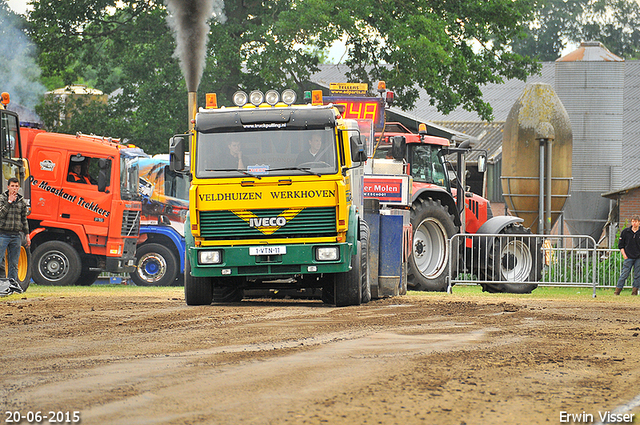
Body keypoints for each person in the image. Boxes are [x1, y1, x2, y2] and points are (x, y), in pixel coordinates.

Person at [0, 177, 30, 282]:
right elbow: (1, 214)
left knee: (14, 263)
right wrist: (9, 202)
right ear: (8, 187)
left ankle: (12, 284)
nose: (14, 188)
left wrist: (27, 235)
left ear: (19, 188)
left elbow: (24, 219)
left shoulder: (21, 201)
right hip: (3, 234)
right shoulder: (2, 198)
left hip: (16, 235)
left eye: (16, 186)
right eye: (12, 186)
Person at [615, 214, 640, 295]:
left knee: (637, 275)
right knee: (624, 274)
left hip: (638, 257)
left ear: (639, 222)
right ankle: (617, 291)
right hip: (628, 257)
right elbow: (621, 245)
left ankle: (634, 292)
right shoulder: (626, 232)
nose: (634, 223)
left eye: (635, 221)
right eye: (633, 221)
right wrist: (624, 255)